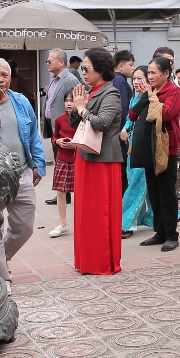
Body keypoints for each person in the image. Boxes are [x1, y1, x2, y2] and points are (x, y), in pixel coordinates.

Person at [0, 57, 46, 286]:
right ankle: (2, 278)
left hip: (22, 172)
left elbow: (34, 133)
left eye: (4, 75)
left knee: (24, 227)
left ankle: (0, 261)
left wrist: (38, 164)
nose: (0, 80)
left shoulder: (21, 101)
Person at [67, 47, 124, 274]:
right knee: (84, 212)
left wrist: (82, 109)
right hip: (85, 156)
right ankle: (85, 260)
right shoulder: (90, 90)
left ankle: (101, 261)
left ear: (100, 70)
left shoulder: (111, 92)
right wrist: (75, 105)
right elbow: (75, 124)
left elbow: (101, 123)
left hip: (103, 160)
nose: (83, 72)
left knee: (100, 212)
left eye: (86, 68)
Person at [130, 54, 180, 251]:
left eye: (153, 73)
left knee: (167, 192)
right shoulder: (150, 91)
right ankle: (159, 232)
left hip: (166, 149)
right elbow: (132, 114)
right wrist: (146, 96)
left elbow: (166, 114)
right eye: (148, 73)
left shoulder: (173, 91)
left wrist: (151, 97)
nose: (149, 76)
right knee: (154, 192)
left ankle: (172, 235)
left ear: (166, 74)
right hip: (148, 148)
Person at [153, 47, 180, 196]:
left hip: (179, 130)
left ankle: (170, 191)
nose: (171, 63)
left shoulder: (175, 82)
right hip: (162, 133)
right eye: (167, 60)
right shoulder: (153, 82)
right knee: (160, 169)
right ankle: (165, 194)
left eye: (172, 61)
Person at [121, 68, 154, 235]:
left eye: (140, 78)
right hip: (132, 146)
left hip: (145, 146)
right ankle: (162, 215)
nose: (135, 82)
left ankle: (126, 224)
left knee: (136, 183)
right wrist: (125, 129)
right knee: (137, 180)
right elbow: (129, 118)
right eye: (134, 78)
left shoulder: (152, 98)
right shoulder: (134, 98)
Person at [43, 49, 78, 205]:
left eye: (50, 61)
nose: (47, 63)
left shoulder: (69, 79)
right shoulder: (55, 79)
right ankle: (63, 192)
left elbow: (77, 99)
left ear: (61, 62)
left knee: (65, 160)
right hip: (55, 124)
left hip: (67, 127)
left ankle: (65, 193)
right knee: (59, 160)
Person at [50, 91, 77, 237]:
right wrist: (57, 141)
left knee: (79, 194)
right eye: (66, 100)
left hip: (77, 159)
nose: (69, 103)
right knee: (60, 192)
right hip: (62, 158)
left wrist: (76, 145)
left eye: (72, 100)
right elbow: (54, 136)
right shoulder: (59, 119)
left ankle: (81, 223)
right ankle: (63, 224)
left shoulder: (82, 120)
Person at [111, 50, 135, 193]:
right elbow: (123, 109)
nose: (132, 68)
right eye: (131, 65)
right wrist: (125, 129)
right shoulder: (120, 81)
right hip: (121, 133)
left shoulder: (114, 79)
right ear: (121, 66)